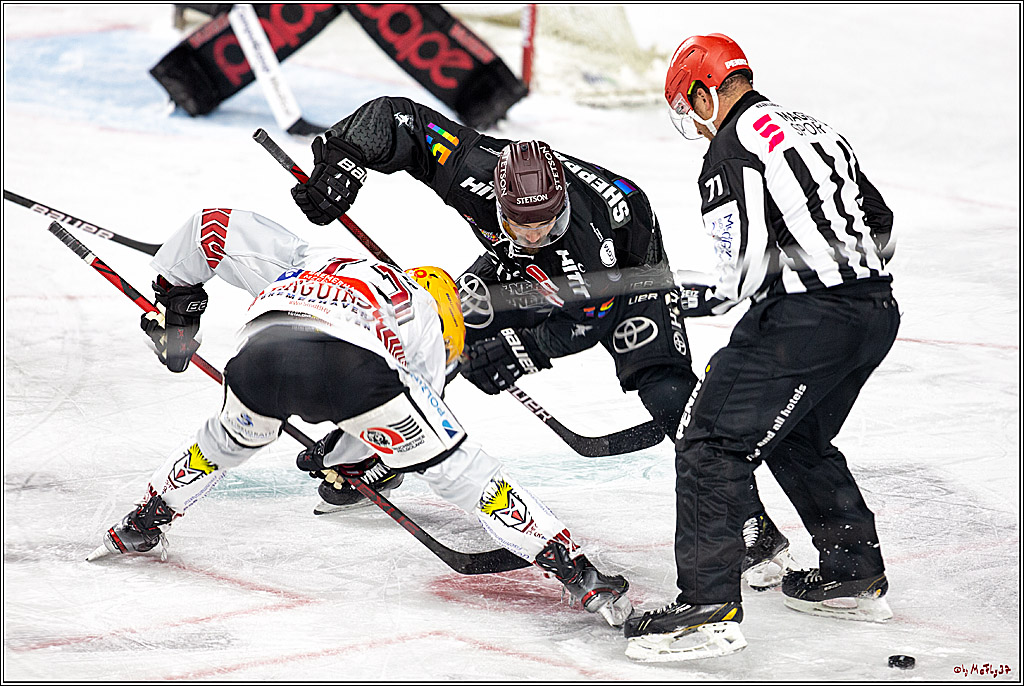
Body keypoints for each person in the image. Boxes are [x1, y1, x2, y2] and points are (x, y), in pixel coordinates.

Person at [288, 96, 792, 588]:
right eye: (521, 223)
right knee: (437, 325)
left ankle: (753, 525)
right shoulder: (473, 167)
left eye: (545, 223)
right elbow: (397, 118)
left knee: (666, 391)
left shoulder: (590, 241)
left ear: (563, 205)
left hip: (627, 276)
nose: (534, 234)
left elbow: (586, 323)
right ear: (498, 200)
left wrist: (513, 351)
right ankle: (378, 445)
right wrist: (342, 156)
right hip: (517, 270)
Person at [87, 208, 634, 628]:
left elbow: (213, 225)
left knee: (219, 446)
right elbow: (394, 418)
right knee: (465, 474)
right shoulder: (423, 313)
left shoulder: (309, 256)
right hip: (352, 368)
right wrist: (347, 461)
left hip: (257, 358)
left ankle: (141, 522)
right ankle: (576, 571)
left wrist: (178, 309)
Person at [622, 34, 900, 662]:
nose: (691, 126)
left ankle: (706, 612)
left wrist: (662, 296)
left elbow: (736, 282)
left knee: (708, 441)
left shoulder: (732, 149)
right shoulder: (811, 126)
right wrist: (840, 273)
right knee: (798, 435)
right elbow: (879, 219)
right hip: (874, 312)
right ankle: (852, 575)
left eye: (687, 106)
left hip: (804, 322)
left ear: (702, 90)